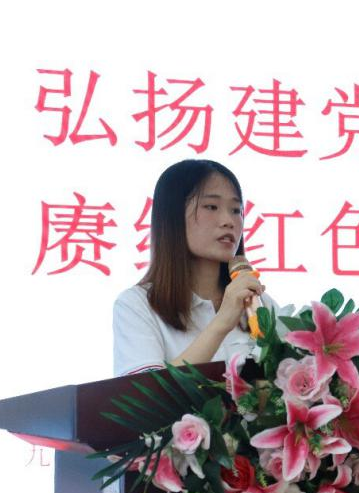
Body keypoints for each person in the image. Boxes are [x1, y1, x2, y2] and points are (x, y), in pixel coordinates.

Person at [113, 160, 274, 376]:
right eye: (211, 207)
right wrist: (222, 322)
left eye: (236, 210)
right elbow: (146, 392)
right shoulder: (137, 305)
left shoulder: (259, 303)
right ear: (173, 216)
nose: (228, 221)